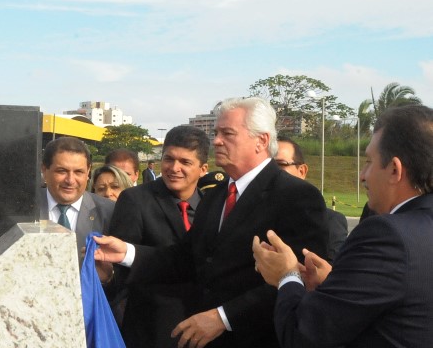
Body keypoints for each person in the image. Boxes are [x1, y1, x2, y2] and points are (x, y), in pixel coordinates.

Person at [95, 97, 328, 348]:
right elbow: (186, 259)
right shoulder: (216, 196)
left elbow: (300, 279)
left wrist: (224, 317)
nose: (216, 140)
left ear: (261, 140)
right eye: (216, 132)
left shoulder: (296, 196)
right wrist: (127, 253)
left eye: (227, 133)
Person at [253, 104, 433, 347]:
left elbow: (301, 335)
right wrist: (335, 284)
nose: (362, 175)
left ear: (394, 169)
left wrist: (287, 276)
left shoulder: (387, 235)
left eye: (369, 161)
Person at [109, 126, 210, 348]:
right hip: (150, 332)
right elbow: (120, 272)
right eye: (169, 159)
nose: (174, 168)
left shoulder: (211, 207)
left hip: (203, 332)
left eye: (185, 162)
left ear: (203, 169)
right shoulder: (135, 201)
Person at [39, 137, 115, 264]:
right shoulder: (23, 208)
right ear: (44, 170)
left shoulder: (110, 212)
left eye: (78, 172)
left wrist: (109, 276)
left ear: (88, 172)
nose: (70, 180)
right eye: (62, 171)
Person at [275, 136, 348, 260]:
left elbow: (333, 273)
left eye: (281, 164)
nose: (271, 172)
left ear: (302, 171)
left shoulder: (330, 222)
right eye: (266, 167)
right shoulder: (249, 217)